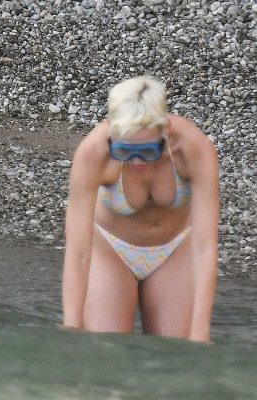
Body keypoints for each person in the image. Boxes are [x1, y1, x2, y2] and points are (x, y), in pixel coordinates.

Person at [61, 76, 219, 343]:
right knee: (108, 348)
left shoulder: (193, 148)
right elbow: (78, 252)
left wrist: (201, 331)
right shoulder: (93, 152)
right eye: (124, 151)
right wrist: (70, 327)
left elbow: (205, 247)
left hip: (175, 249)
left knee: (175, 352)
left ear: (165, 130)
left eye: (147, 152)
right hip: (110, 249)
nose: (136, 162)